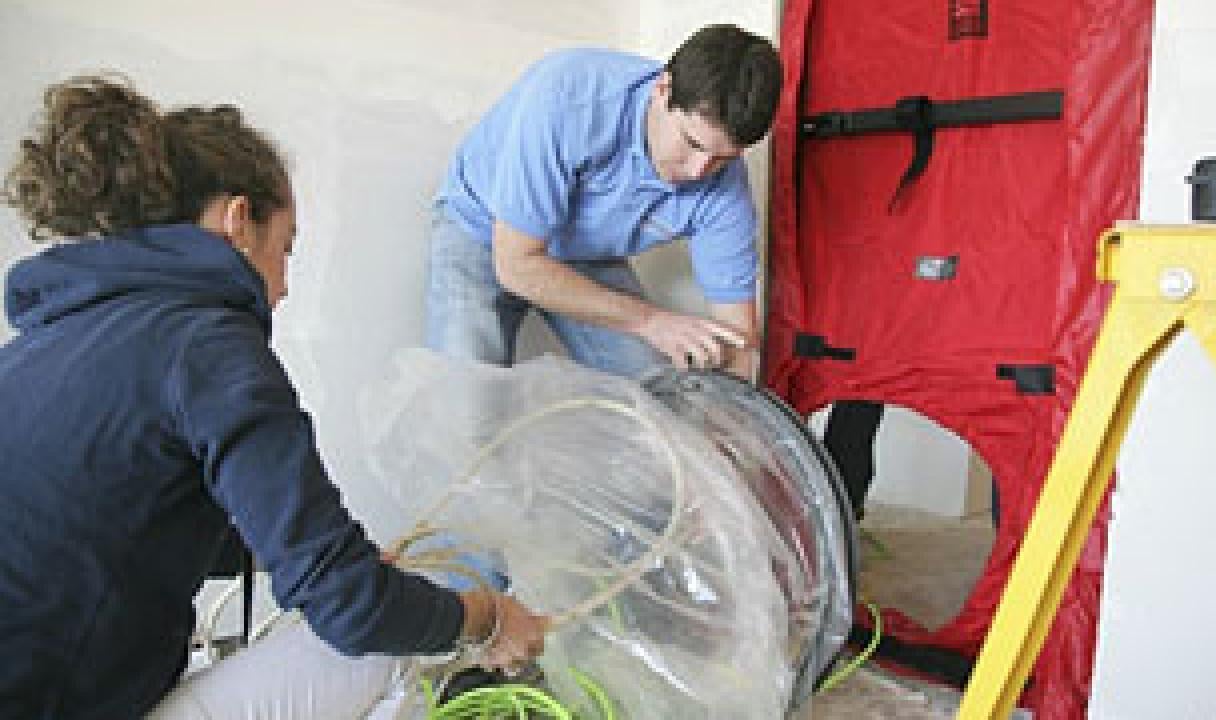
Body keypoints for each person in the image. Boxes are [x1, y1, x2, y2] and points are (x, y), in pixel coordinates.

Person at [0, 74, 548, 719]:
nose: (283, 288)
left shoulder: (46, 342)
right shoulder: (207, 345)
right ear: (238, 222)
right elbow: (355, 612)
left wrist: (304, 558)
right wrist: (487, 619)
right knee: (385, 644)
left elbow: (129, 521)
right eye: (286, 249)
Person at [427, 24, 782, 379]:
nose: (698, 170)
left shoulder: (726, 188)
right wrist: (651, 321)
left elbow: (739, 341)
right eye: (691, 143)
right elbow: (516, 267)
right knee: (466, 395)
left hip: (585, 254)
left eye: (722, 158)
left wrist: (730, 407)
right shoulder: (569, 99)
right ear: (663, 89)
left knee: (657, 391)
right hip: (482, 229)